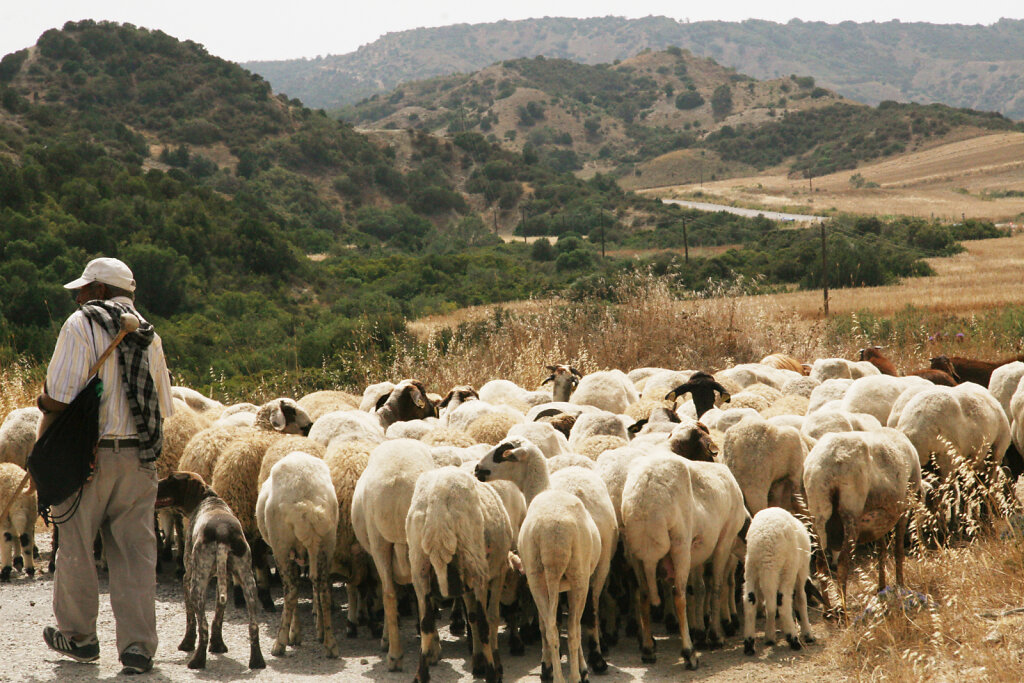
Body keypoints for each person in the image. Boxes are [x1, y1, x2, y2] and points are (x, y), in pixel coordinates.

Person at [36, 257, 174, 675]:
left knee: (76, 546)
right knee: (134, 553)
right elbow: (164, 405)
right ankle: (137, 648)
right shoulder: (149, 334)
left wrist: (43, 407)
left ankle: (79, 638)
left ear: (98, 290)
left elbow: (59, 395)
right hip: (138, 459)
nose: (77, 296)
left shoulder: (80, 325)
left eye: (83, 288)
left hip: (85, 456)